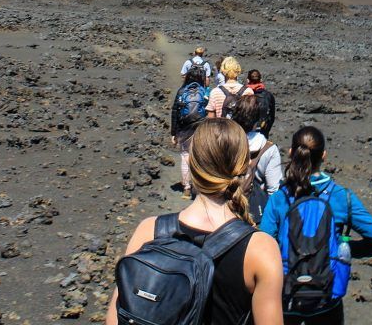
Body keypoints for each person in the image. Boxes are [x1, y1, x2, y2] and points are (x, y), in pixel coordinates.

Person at [106, 119, 285, 325]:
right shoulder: (261, 249)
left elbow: (115, 317)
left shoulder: (149, 231)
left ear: (192, 163)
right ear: (244, 166)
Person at [259, 126, 372, 325]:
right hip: (326, 299)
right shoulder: (341, 197)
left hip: (287, 297)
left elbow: (264, 246)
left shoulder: (279, 198)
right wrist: (335, 249)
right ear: (324, 156)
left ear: (292, 153)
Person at [232, 95, 282, 224]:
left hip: (227, 209)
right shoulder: (269, 149)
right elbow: (273, 190)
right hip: (255, 213)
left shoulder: (226, 142)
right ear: (258, 120)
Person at [171, 76, 211, 199]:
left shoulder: (182, 91)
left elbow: (175, 111)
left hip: (184, 128)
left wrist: (174, 132)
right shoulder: (205, 91)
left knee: (185, 157)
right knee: (199, 157)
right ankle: (198, 187)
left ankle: (187, 188)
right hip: (201, 127)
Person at [246, 69, 276, 137]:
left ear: (248, 80)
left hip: (247, 131)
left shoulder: (245, 94)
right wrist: (266, 131)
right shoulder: (269, 95)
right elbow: (272, 117)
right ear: (261, 80)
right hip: (263, 130)